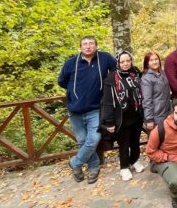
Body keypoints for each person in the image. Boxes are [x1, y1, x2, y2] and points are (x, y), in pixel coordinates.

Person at [57, 36, 116, 183]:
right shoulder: (71, 63)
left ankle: (75, 163)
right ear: (80, 47)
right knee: (82, 141)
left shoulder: (105, 58)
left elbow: (117, 71)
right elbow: (61, 81)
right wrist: (74, 93)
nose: (88, 46)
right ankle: (94, 167)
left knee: (94, 139)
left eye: (91, 44)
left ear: (96, 46)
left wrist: (107, 89)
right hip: (75, 110)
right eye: (85, 44)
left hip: (95, 109)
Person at [100, 50, 145, 181]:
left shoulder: (135, 73)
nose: (125, 64)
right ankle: (124, 167)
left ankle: (135, 160)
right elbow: (107, 103)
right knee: (124, 144)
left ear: (131, 61)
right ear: (118, 63)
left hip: (136, 116)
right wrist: (109, 122)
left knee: (135, 142)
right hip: (121, 118)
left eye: (128, 61)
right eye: (122, 61)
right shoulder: (111, 79)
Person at [141, 51, 172, 131]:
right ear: (147, 63)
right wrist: (149, 119)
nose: (154, 62)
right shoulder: (146, 79)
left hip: (167, 114)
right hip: (156, 117)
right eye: (151, 60)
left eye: (156, 59)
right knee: (156, 141)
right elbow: (147, 101)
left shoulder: (162, 74)